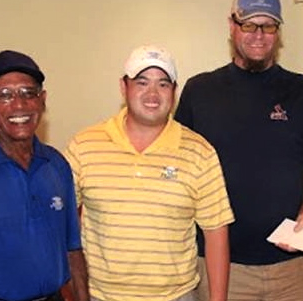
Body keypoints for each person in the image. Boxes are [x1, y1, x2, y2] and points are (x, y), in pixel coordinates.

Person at [175, 0, 303, 301]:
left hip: (291, 269)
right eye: (249, 24)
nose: (258, 35)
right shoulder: (200, 92)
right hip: (221, 268)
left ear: (278, 32)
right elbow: (177, 173)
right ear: (232, 25)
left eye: (268, 26)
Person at [64, 45, 234, 301]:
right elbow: (63, 224)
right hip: (101, 295)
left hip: (176, 295)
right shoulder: (84, 146)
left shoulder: (200, 151)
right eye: (142, 82)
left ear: (174, 91)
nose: (152, 93)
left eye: (163, 84)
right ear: (124, 87)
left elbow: (216, 232)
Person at [0, 50, 89, 300]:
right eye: (4, 95)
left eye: (29, 93)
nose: (19, 104)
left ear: (43, 100)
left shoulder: (57, 165)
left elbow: (72, 250)